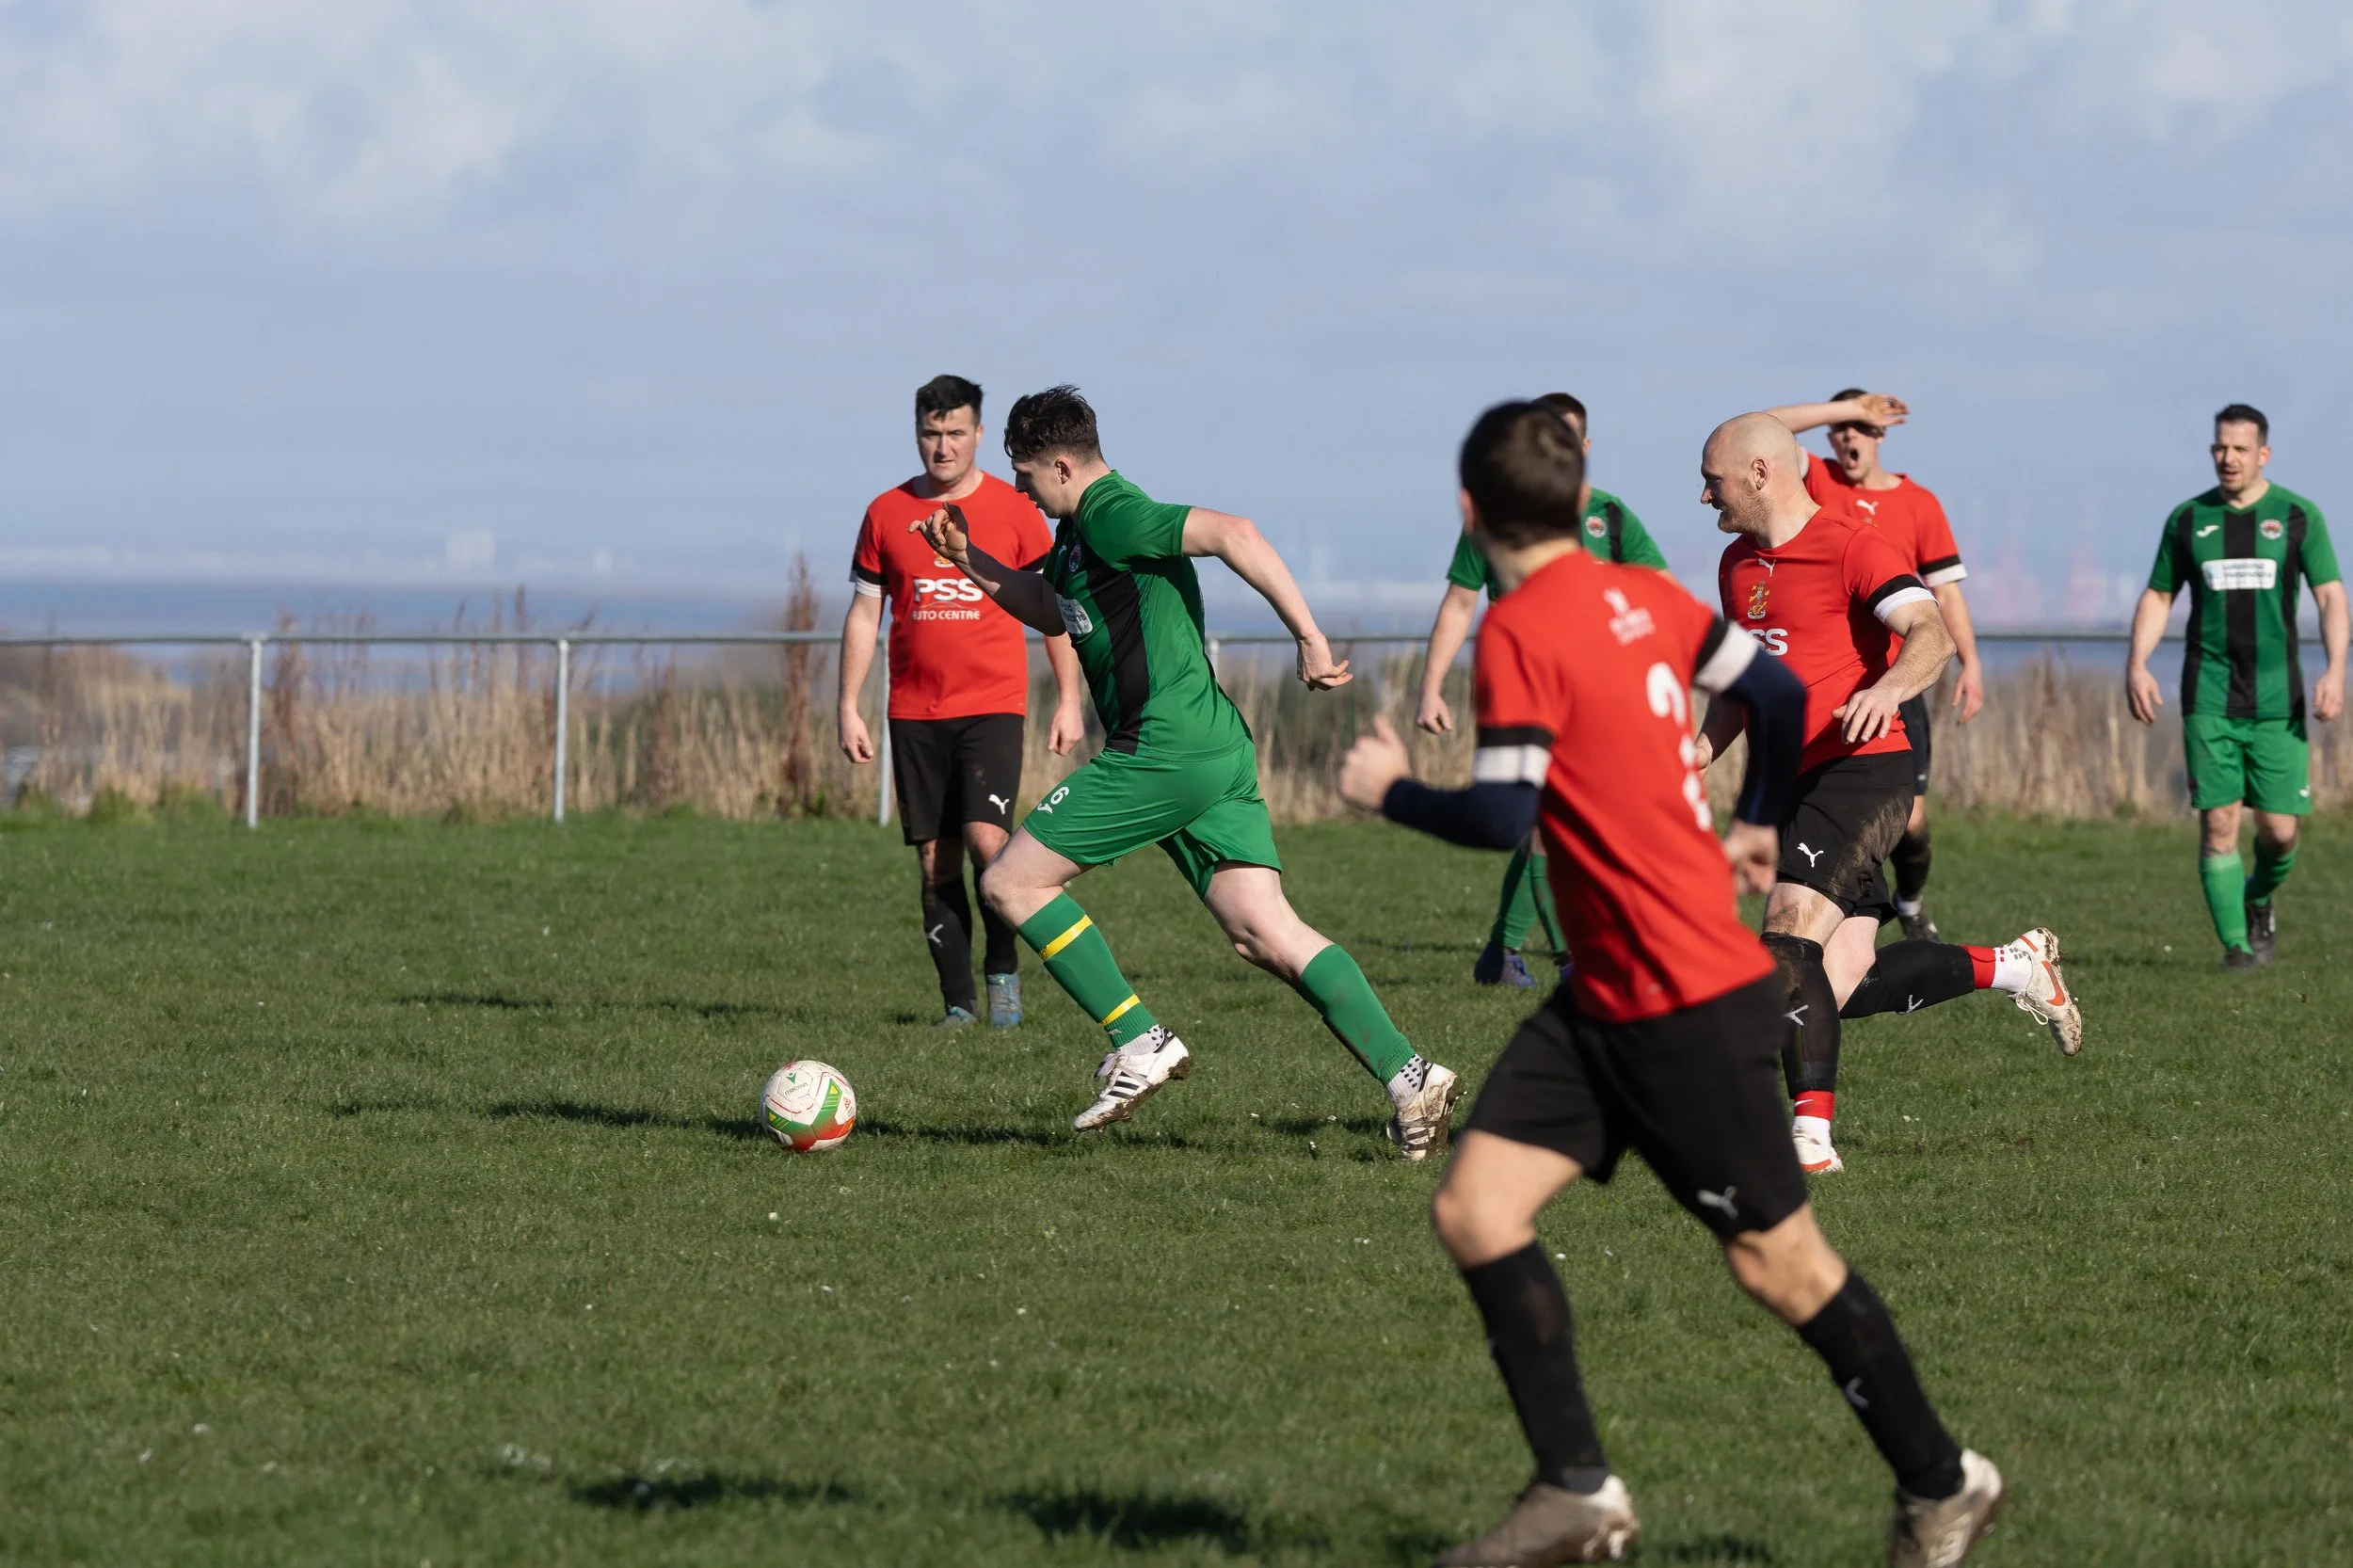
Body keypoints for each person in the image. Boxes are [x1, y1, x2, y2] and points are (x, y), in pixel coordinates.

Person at [1337, 400, 2002, 1567]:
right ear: (1578, 492)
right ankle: (1577, 1490)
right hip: (1604, 991)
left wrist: (1387, 787)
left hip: (1681, 998)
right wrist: (1755, 823)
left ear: (1468, 510)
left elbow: (1506, 812)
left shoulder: (1522, 629)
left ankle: (1943, 1480)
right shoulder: (1646, 595)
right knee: (1475, 1207)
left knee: (1778, 1265)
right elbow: (1785, 700)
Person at [909, 385, 1462, 1153]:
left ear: (1064, 467)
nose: (1023, 493)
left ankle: (1139, 1039)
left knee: (1009, 881)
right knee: (1264, 930)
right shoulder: (1077, 537)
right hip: (1210, 748)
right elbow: (1050, 604)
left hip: (1164, 748)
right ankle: (1413, 1076)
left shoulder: (1111, 512)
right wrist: (971, 562)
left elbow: (1233, 532)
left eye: (1028, 477)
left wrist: (1305, 633)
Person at [1696, 414, 2079, 1176]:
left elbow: (1928, 631)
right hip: (1795, 783)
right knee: (1837, 989)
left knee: (1785, 937)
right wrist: (1698, 750)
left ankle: (1808, 1142)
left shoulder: (1853, 546)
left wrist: (1890, 686)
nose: (1704, 497)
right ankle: (2015, 964)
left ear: (1761, 474)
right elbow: (1742, 687)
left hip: (1867, 769)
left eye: (1714, 481)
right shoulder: (1737, 566)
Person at [838, 375, 1088, 1027]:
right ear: (916, 433)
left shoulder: (1013, 508)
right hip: (914, 711)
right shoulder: (885, 513)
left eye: (955, 433)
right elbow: (865, 616)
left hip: (993, 705)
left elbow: (1052, 611)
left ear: (978, 434)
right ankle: (958, 1007)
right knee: (935, 858)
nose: (942, 446)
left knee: (988, 844)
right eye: (930, 433)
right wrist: (847, 705)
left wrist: (1068, 699)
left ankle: (1003, 973)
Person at [1415, 392, 1671, 987]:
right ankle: (1573, 958)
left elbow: (1656, 588)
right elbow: (1459, 602)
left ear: (1584, 448)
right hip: (1527, 687)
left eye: (1569, 436)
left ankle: (1501, 954)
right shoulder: (1498, 517)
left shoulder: (1612, 514)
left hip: (1601, 695)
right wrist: (1430, 688)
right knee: (1548, 825)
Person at [2126, 404, 2346, 968]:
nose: (2228, 458)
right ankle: (2237, 949)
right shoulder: (2188, 519)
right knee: (2220, 821)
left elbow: (2329, 595)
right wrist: (2138, 662)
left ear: (2263, 454)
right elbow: (2158, 595)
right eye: (2220, 447)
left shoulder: (2299, 516)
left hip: (2280, 699)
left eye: (2240, 449)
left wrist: (2335, 669)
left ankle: (2259, 897)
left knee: (2279, 832)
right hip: (2209, 695)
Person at [1767, 391, 1984, 940]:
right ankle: (1851, 912)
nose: (1846, 439)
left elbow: (1946, 597)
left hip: (1896, 680)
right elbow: (1762, 429)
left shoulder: (1920, 503)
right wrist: (1841, 408)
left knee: (1912, 818)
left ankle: (1910, 902)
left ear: (1880, 437)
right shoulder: (1816, 484)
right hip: (1836, 684)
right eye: (1839, 430)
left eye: (1859, 429)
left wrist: (1972, 663)